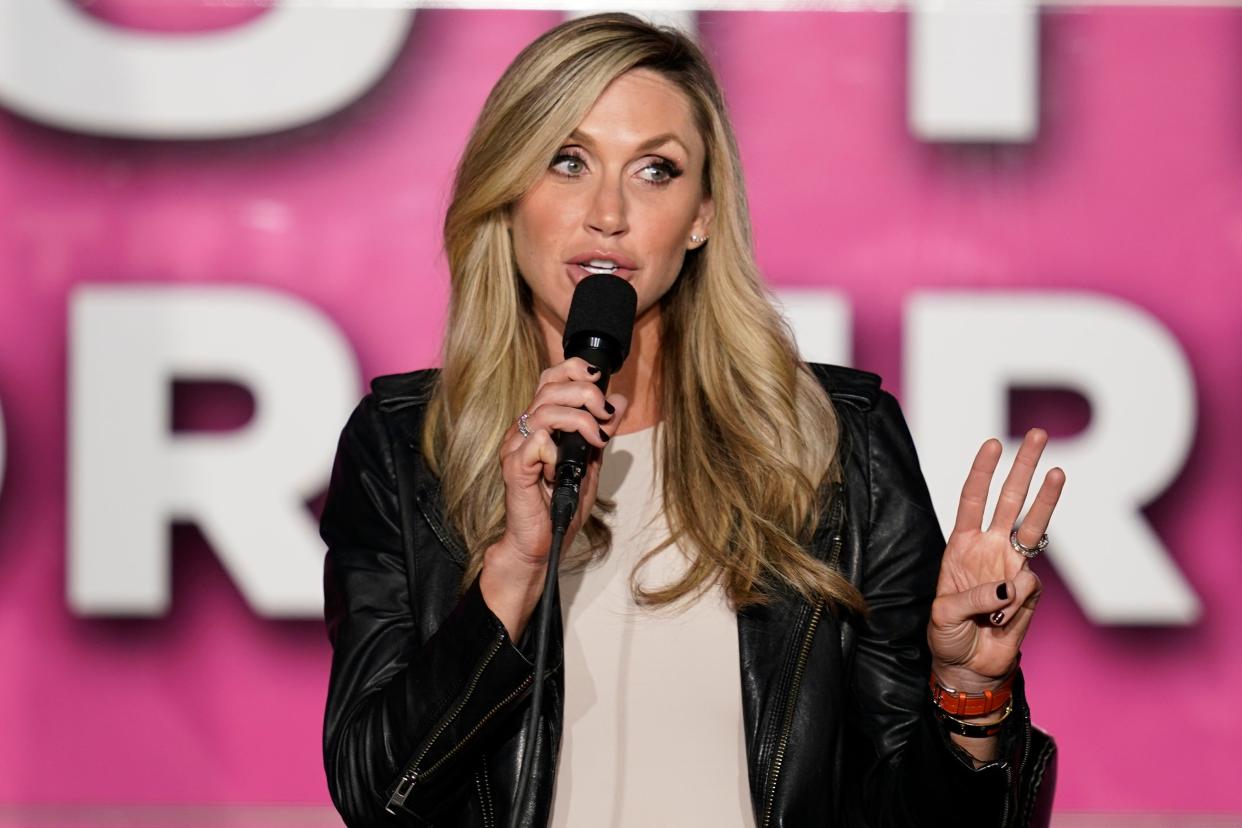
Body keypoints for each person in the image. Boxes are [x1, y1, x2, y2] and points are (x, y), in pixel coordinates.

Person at [320, 12, 1065, 828]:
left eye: (655, 171)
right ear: (507, 193)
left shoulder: (833, 447)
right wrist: (515, 570)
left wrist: (968, 691)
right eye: (568, 161)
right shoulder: (403, 448)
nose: (608, 211)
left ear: (703, 216)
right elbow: (377, 795)